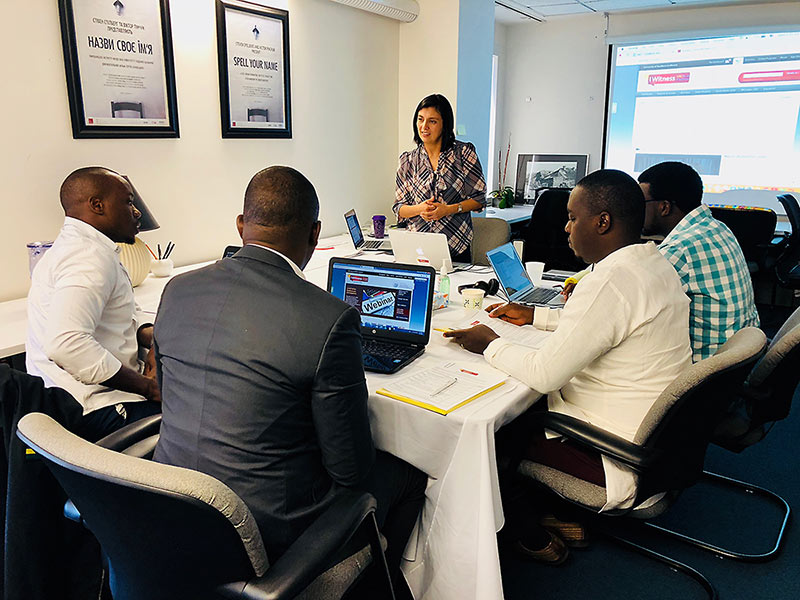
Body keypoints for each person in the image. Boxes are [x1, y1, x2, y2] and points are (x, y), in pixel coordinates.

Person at [153, 166, 426, 597]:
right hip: (263, 535)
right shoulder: (329, 318)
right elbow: (350, 469)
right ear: (316, 234)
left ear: (241, 225)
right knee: (407, 474)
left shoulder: (177, 289)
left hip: (166, 507)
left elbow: (168, 400)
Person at [444, 169, 691, 563]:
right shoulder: (649, 263)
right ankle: (551, 514)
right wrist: (536, 317)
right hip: (655, 438)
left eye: (573, 217)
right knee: (520, 406)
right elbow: (607, 322)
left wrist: (490, 344)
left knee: (489, 432)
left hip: (616, 455)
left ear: (603, 221)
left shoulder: (612, 280)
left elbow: (545, 373)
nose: (566, 227)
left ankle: (526, 530)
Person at [26, 166, 161, 442]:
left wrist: (156, 339)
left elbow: (120, 316)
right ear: (97, 205)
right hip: (97, 406)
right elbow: (66, 343)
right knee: (201, 419)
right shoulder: (88, 258)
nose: (136, 212)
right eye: (128, 202)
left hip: (64, 400)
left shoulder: (81, 248)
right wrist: (148, 388)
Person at [638, 161, 759, 361]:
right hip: (740, 359)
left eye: (641, 203)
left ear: (664, 207)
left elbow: (630, 310)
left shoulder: (678, 250)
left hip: (704, 371)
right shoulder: (717, 227)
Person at [393, 93, 486, 263]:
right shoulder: (407, 160)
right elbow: (399, 208)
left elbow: (479, 199)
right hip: (417, 249)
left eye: (432, 121)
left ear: (445, 124)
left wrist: (448, 209)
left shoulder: (464, 154)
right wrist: (419, 209)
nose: (424, 126)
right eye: (420, 119)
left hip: (456, 247)